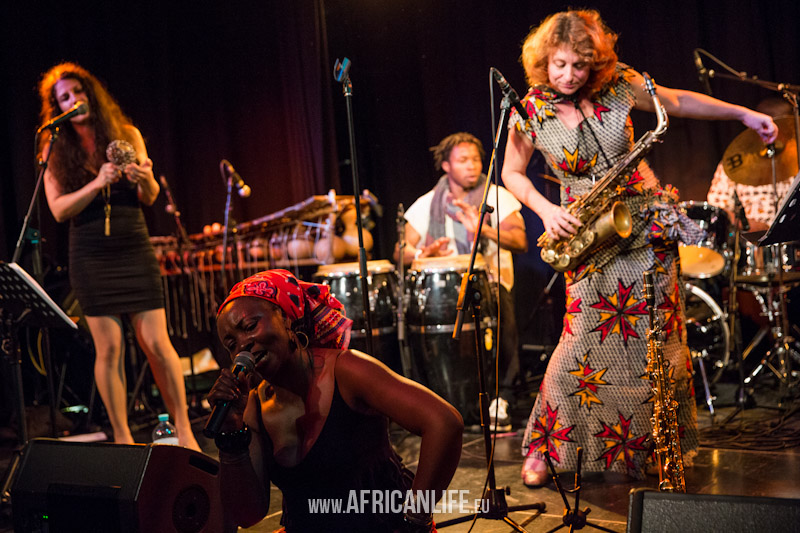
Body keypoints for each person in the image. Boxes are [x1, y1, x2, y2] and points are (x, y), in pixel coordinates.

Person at [500, 10, 778, 486]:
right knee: (579, 340)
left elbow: (677, 100)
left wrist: (743, 113)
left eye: (580, 66)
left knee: (656, 340)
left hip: (644, 223)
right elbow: (511, 172)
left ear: (594, 62)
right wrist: (545, 210)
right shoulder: (528, 109)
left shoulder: (619, 84)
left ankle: (659, 445)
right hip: (585, 230)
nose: (569, 75)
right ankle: (547, 446)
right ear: (543, 61)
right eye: (560, 65)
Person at [209, 269, 463, 532]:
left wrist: (416, 518)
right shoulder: (254, 408)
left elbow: (444, 423)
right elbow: (247, 515)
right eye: (231, 344)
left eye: (250, 327)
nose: (243, 345)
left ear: (286, 318)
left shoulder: (346, 371)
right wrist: (231, 436)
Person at [38, 62, 199, 450]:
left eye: (78, 92)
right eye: (64, 98)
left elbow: (150, 197)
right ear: (57, 108)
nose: (74, 100)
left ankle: (185, 431)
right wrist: (98, 183)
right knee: (109, 349)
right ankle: (124, 439)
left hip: (132, 245)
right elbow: (58, 210)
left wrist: (144, 179)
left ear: (91, 93)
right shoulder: (54, 148)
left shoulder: (127, 134)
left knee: (156, 343)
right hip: (91, 255)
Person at [394, 132, 528, 429]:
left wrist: (483, 229)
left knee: (501, 318)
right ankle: (444, 398)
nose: (472, 165)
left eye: (476, 159)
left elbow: (520, 241)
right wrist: (424, 252)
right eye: (463, 160)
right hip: (446, 292)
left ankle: (502, 397)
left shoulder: (497, 197)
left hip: (490, 283)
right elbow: (400, 252)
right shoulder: (427, 203)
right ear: (446, 165)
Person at [707, 97, 795, 233]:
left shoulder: (796, 159)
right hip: (751, 241)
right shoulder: (733, 164)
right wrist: (747, 224)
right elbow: (717, 210)